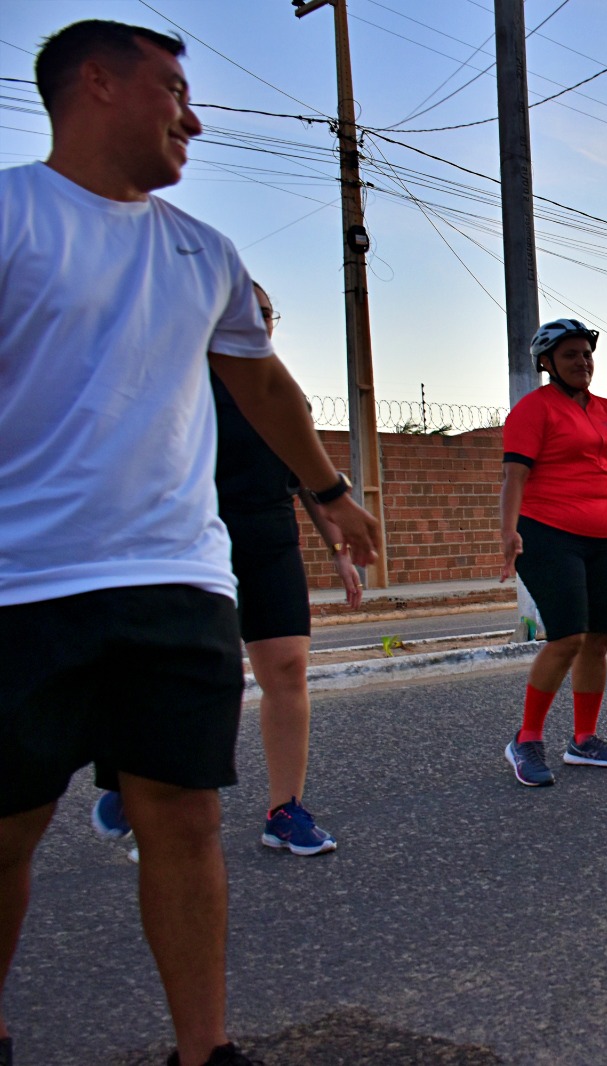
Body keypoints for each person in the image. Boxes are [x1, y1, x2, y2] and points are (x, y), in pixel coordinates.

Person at [1, 21, 380, 1066]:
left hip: (176, 576)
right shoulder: (11, 214)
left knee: (184, 814)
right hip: (21, 582)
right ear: (95, 83)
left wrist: (330, 490)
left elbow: (261, 384)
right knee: (8, 828)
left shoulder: (204, 250)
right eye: (172, 90)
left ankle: (203, 1052)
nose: (194, 117)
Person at [94, 283, 360, 862]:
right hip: (194, 545)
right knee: (196, 680)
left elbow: (307, 473)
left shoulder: (281, 390)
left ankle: (284, 811)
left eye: (267, 314)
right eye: (247, 312)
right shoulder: (178, 382)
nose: (260, 323)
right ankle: (142, 790)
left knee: (287, 668)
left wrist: (337, 548)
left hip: (270, 542)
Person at [500, 319, 607, 787]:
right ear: (547, 363)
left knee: (598, 640)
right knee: (566, 638)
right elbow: (515, 477)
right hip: (546, 533)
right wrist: (508, 532)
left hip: (601, 539)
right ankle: (526, 740)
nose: (582, 362)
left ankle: (583, 740)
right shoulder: (534, 410)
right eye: (570, 355)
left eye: (586, 354)